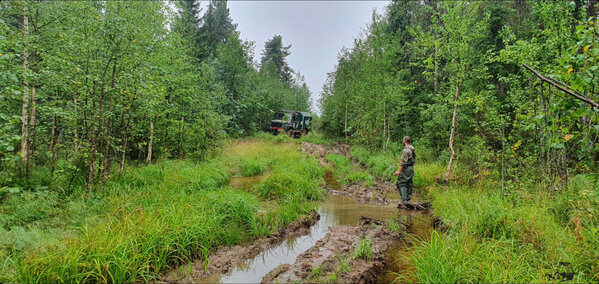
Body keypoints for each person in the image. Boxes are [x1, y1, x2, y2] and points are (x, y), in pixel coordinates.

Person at [394, 136, 416, 203]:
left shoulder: (405, 150)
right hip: (411, 168)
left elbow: (403, 162)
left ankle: (404, 200)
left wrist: (398, 171)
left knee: (400, 183)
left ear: (404, 141)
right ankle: (408, 200)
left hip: (406, 169)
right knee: (409, 183)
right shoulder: (412, 149)